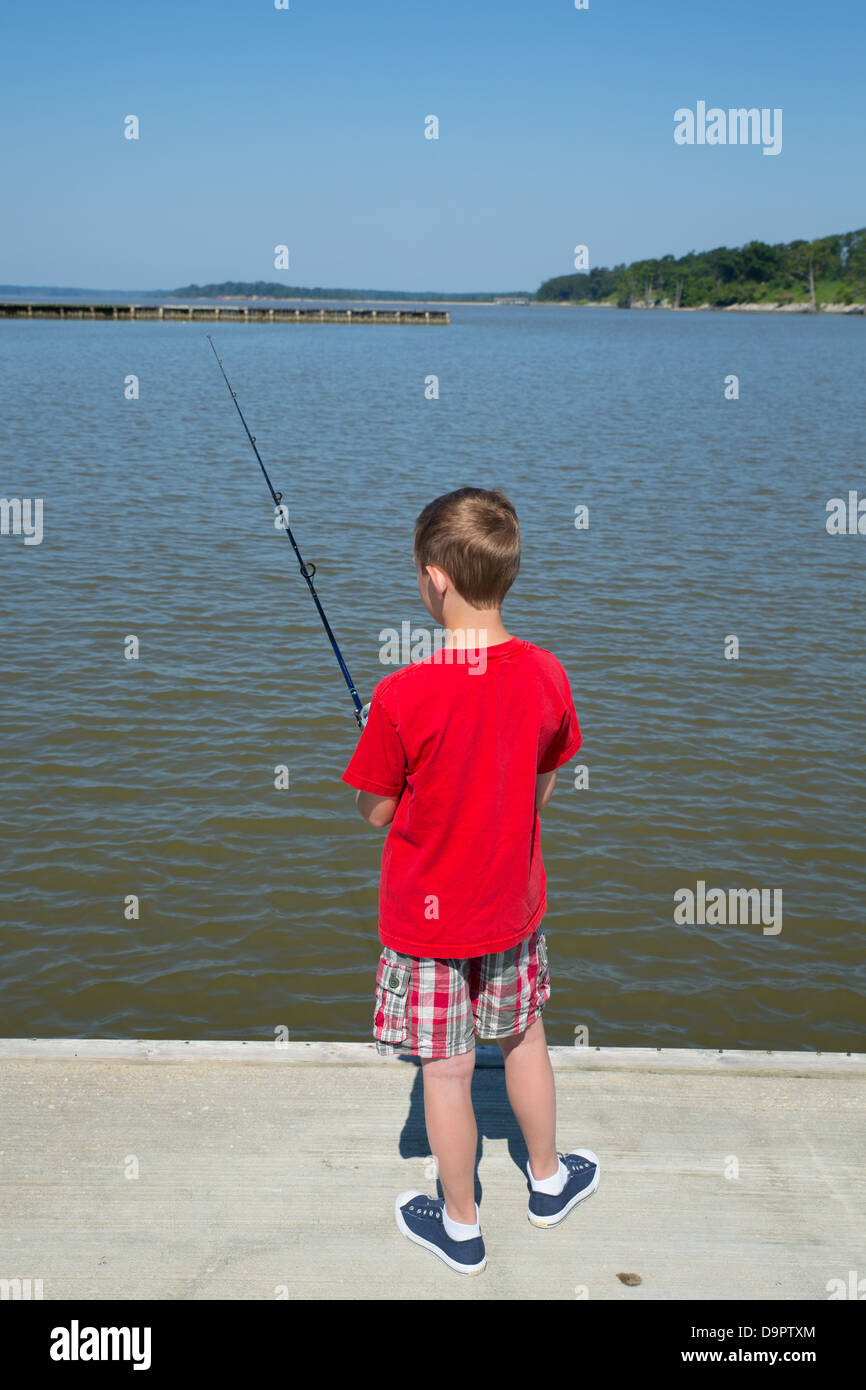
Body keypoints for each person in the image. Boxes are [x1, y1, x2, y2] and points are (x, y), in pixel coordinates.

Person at [342, 486, 599, 1275]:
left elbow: (374, 813)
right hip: (511, 911)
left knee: (447, 1075)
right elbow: (540, 786)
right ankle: (550, 1180)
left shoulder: (400, 695)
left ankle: (460, 1225)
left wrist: (384, 750)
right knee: (524, 1040)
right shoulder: (548, 674)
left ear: (436, 580)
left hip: (426, 930)